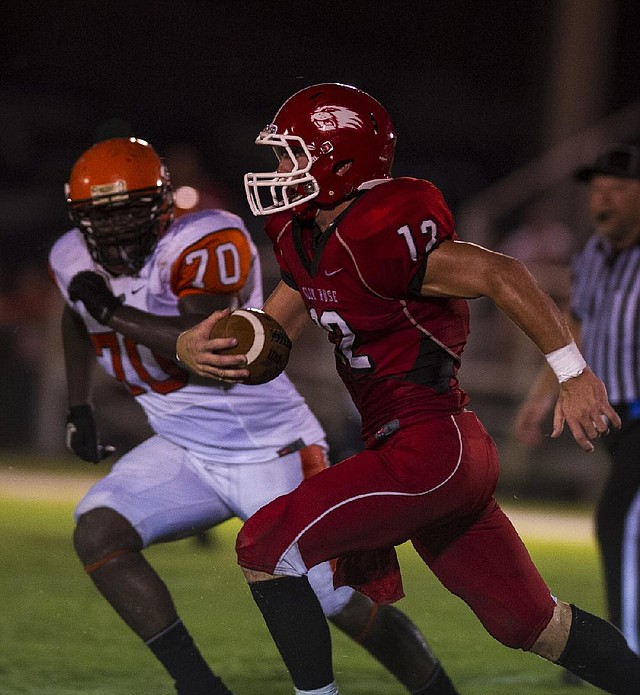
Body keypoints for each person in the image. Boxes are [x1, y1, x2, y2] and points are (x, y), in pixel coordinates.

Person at [175, 84, 640, 695]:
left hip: (429, 448)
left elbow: (503, 273)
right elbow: (273, 328)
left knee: (264, 546)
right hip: (424, 450)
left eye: (294, 155)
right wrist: (199, 348)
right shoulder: (306, 233)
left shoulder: (380, 231)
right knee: (529, 623)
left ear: (340, 161)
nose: (282, 170)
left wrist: (573, 373)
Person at [49, 136, 459, 695]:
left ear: (161, 204)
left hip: (270, 446)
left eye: (126, 212)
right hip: (183, 447)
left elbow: (209, 346)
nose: (114, 230)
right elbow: (77, 316)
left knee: (333, 598)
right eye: (101, 217)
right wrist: (80, 404)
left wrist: (112, 310)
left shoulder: (206, 236)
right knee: (98, 533)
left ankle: (437, 689)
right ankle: (198, 686)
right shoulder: (70, 254)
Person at [514, 144, 640, 658]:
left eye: (614, 189)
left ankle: (624, 654)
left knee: (617, 521)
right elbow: (576, 329)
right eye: (596, 190)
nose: (600, 200)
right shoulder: (592, 254)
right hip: (619, 419)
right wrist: (542, 395)